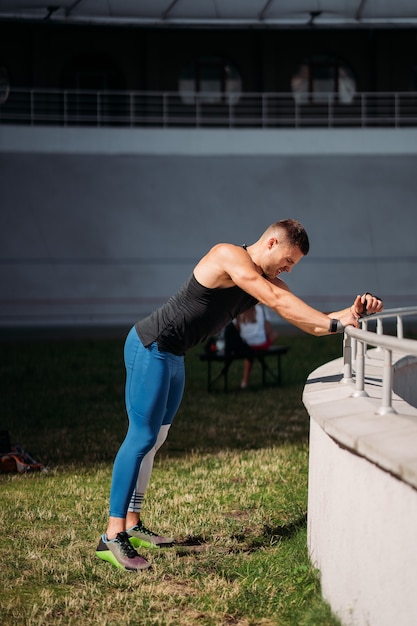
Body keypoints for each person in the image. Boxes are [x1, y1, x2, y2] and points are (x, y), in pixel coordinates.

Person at [95, 218, 383, 571]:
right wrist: (336, 323)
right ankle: (111, 535)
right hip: (150, 346)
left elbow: (310, 321)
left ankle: (133, 523)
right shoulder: (228, 256)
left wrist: (352, 314)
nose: (288, 270)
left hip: (173, 354)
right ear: (273, 243)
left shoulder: (264, 281)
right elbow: (277, 300)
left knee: (157, 438)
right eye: (288, 261)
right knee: (140, 438)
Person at [235, 303, 279, 389]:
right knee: (275, 334)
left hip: (245, 345)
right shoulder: (262, 309)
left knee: (249, 353)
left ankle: (245, 381)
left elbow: (236, 329)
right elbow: (268, 330)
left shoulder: (239, 310)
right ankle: (245, 380)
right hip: (261, 345)